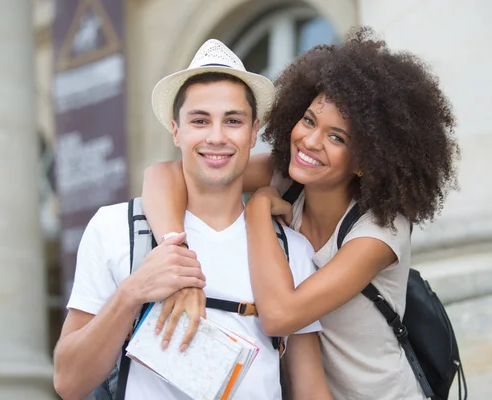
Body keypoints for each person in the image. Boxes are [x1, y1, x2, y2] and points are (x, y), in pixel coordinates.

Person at [141, 27, 460, 400]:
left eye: (337, 137)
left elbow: (280, 315)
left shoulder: (380, 232)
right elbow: (162, 174)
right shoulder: (290, 176)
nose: (310, 141)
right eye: (309, 120)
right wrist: (174, 255)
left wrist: (259, 207)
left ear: (366, 160)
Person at [53, 39, 331, 400]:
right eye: (200, 121)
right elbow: (68, 382)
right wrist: (133, 292)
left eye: (232, 121)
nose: (216, 137)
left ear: (252, 132)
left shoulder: (291, 248)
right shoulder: (115, 228)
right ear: (176, 130)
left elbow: (309, 388)